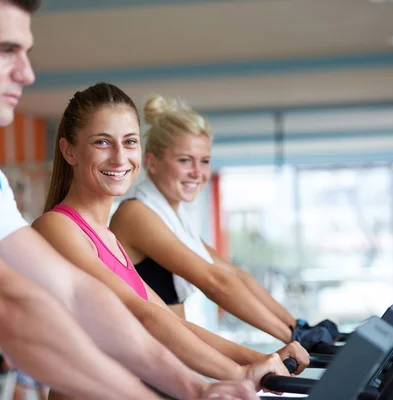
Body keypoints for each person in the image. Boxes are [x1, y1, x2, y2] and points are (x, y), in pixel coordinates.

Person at [0, 2, 254, 399]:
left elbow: (76, 293)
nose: (27, 73)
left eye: (26, 52)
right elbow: (6, 302)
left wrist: (196, 390)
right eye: (6, 51)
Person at [32, 83, 310, 399]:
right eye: (102, 142)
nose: (120, 157)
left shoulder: (108, 237)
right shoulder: (57, 228)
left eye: (129, 142)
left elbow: (168, 320)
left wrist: (258, 359)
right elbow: (140, 315)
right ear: (70, 151)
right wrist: (238, 373)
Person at [109, 94, 339, 352]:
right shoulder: (136, 214)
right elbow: (214, 282)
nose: (198, 173)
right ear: (151, 162)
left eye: (204, 161)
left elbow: (235, 275)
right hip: (133, 363)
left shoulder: (174, 220)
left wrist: (297, 325)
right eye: (185, 160)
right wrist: (291, 337)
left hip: (166, 358)